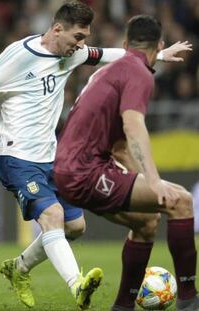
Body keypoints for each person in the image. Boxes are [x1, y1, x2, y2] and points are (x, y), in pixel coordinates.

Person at [0, 1, 190, 309]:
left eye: (84, 38)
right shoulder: (20, 54)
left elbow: (110, 55)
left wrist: (156, 55)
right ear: (57, 29)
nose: (81, 45)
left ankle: (20, 268)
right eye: (78, 37)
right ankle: (76, 283)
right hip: (17, 158)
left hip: (52, 159)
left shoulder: (73, 54)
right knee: (52, 217)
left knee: (75, 228)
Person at [52, 15, 198, 311]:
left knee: (147, 222)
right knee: (181, 201)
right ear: (159, 45)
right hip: (86, 171)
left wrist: (140, 182)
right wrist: (154, 180)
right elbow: (133, 127)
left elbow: (119, 147)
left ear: (124, 44)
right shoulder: (138, 73)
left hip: (70, 170)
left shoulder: (112, 71)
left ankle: (123, 306)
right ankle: (189, 300)